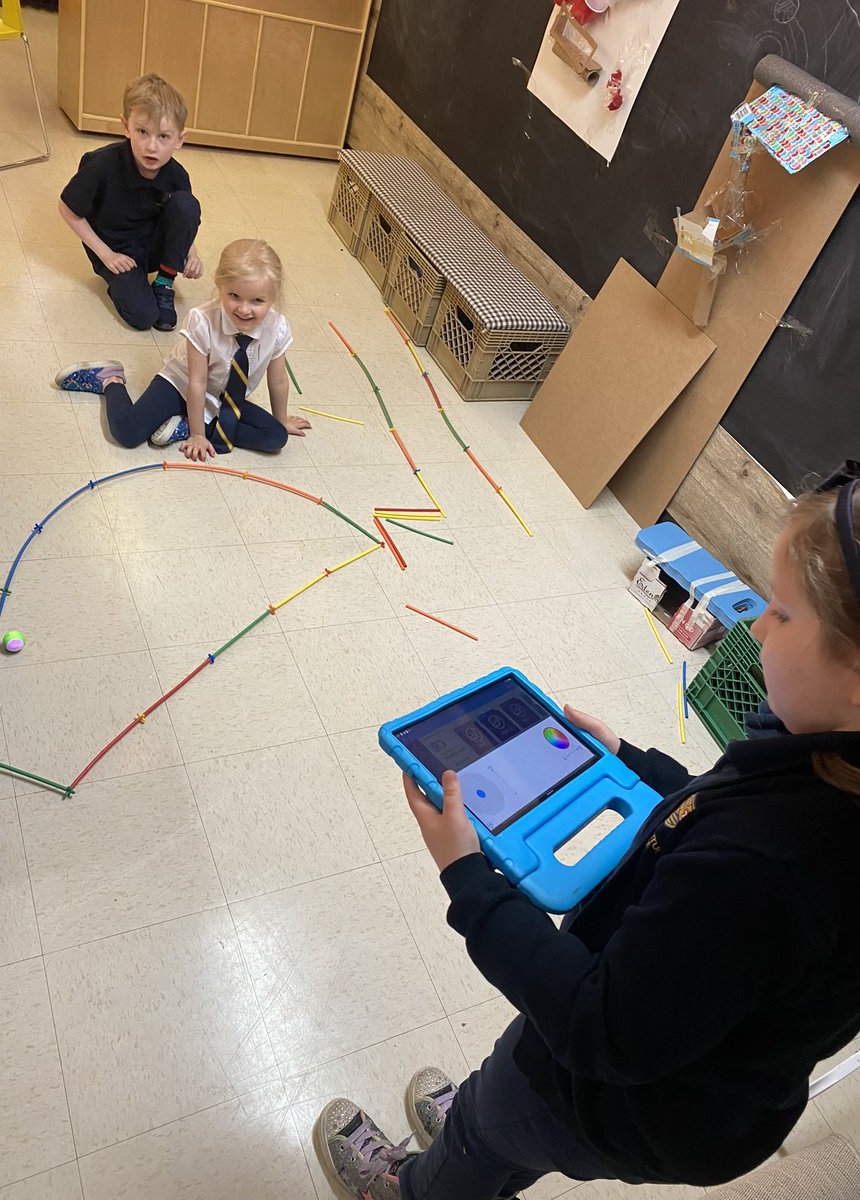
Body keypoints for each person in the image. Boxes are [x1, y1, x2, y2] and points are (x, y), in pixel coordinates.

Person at [315, 467, 860, 1199]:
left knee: (494, 1119)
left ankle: (413, 1182)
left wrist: (467, 878)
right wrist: (633, 763)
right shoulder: (823, 759)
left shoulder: (774, 866)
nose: (757, 626)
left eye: (784, 614)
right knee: (511, 1132)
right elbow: (726, 812)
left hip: (612, 1095)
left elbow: (595, 1027)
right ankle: (485, 1150)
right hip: (703, 1092)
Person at [54, 238, 310, 458]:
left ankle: (184, 425)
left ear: (272, 297)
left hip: (223, 396)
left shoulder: (277, 327)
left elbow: (278, 380)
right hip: (180, 383)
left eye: (257, 301)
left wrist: (281, 420)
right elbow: (197, 381)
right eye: (234, 296)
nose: (244, 309)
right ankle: (110, 380)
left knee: (275, 437)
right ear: (219, 285)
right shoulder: (203, 320)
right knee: (128, 432)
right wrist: (198, 436)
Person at [58, 73, 202, 332]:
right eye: (142, 132)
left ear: (179, 139)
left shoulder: (177, 175)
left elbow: (182, 219)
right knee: (143, 317)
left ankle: (164, 283)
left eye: (163, 137)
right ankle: (122, 285)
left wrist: (191, 252)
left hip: (151, 245)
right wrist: (106, 254)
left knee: (186, 203)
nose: (151, 147)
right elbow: (67, 209)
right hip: (116, 249)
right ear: (126, 127)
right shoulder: (101, 165)